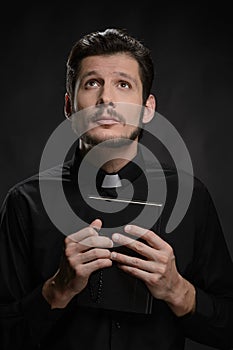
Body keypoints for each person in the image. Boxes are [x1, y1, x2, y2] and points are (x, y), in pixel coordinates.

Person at [0, 28, 233, 350]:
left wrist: (178, 290)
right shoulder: (25, 203)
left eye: (123, 84)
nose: (106, 99)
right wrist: (57, 289)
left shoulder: (191, 197)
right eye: (92, 83)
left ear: (147, 108)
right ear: (70, 105)